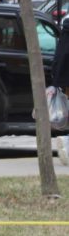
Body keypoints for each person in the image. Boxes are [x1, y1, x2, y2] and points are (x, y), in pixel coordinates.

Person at [51, 16, 69, 166]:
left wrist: (56, 77)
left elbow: (59, 55)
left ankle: (67, 142)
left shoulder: (65, 29)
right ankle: (67, 142)